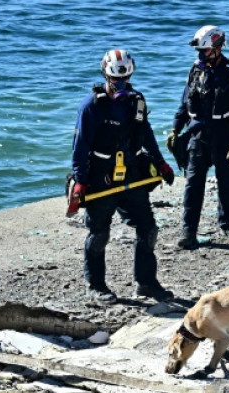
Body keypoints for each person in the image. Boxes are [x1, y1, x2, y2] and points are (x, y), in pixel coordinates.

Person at [67, 49, 177, 304]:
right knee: (99, 233)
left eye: (125, 79)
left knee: (148, 228)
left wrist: (160, 162)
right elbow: (80, 146)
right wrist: (80, 180)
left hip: (131, 173)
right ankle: (95, 286)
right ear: (105, 76)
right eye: (115, 79)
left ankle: (146, 282)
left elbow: (146, 132)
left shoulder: (136, 102)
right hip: (100, 177)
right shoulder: (91, 107)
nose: (120, 84)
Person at [167, 25, 229, 250]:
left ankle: (228, 224)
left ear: (217, 48)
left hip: (225, 134)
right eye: (199, 51)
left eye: (204, 51)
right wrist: (175, 129)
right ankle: (189, 231)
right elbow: (185, 103)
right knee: (193, 183)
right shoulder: (195, 71)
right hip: (199, 135)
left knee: (226, 181)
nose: (200, 55)